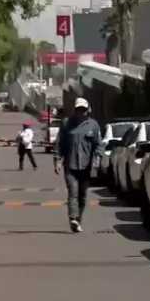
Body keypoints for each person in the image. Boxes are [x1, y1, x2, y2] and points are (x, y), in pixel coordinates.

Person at [54, 98, 101, 233]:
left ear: (88, 110)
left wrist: (97, 158)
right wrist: (57, 160)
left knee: (82, 195)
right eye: (78, 110)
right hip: (70, 165)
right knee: (73, 192)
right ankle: (73, 217)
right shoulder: (66, 123)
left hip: (86, 166)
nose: (81, 112)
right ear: (75, 110)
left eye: (83, 110)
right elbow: (59, 143)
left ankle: (77, 220)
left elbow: (98, 144)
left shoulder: (93, 125)